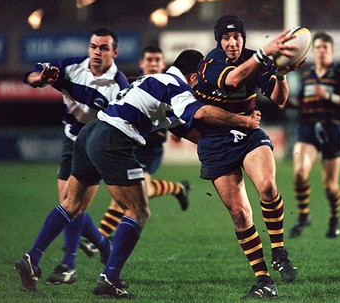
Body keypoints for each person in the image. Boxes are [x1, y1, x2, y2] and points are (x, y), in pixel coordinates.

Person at [14, 49, 263, 299]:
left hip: (91, 133)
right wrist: (243, 122)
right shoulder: (177, 86)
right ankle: (110, 278)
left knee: (73, 204)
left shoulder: (157, 81)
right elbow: (200, 113)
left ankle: (32, 258)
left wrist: (231, 142)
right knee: (138, 211)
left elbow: (190, 131)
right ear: (194, 76)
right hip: (113, 139)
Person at [194, 15, 300, 299]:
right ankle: (264, 280)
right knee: (241, 214)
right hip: (216, 141)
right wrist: (267, 53)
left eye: (237, 37)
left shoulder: (257, 59)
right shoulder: (209, 64)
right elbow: (233, 79)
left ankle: (278, 249)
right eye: (227, 38)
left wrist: (281, 72)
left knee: (267, 186)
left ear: (243, 38)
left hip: (249, 135)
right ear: (219, 41)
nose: (232, 42)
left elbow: (279, 99)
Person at [22, 28, 130, 284]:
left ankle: (67, 263)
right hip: (71, 140)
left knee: (73, 205)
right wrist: (39, 79)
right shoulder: (71, 67)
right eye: (93, 46)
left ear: (114, 52)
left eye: (104, 48)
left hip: (94, 146)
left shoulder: (118, 85)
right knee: (69, 203)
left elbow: (122, 123)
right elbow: (32, 75)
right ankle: (103, 246)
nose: (97, 52)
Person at [79, 46, 191, 257]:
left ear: (164, 64)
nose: (153, 63)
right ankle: (178, 189)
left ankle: (100, 238)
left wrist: (178, 126)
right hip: (124, 141)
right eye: (149, 59)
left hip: (149, 148)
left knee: (131, 196)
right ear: (141, 63)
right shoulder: (134, 83)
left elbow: (172, 114)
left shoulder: (168, 84)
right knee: (140, 193)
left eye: (158, 60)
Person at [287, 32, 340, 239]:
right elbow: (301, 103)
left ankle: (335, 217)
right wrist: (287, 103)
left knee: (330, 186)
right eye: (317, 47)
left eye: (325, 48)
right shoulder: (307, 75)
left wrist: (328, 95)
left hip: (332, 129)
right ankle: (303, 215)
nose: (320, 51)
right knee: (300, 172)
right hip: (308, 128)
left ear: (332, 51)